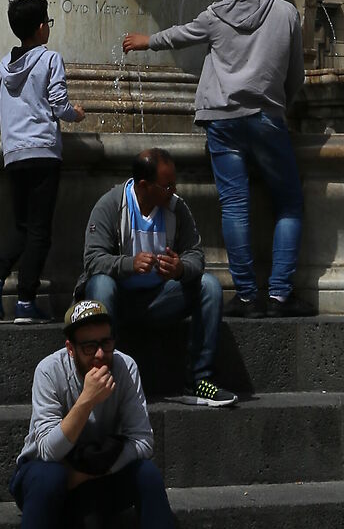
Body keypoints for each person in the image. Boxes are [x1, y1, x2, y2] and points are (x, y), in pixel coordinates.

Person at [10, 297, 210, 529]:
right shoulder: (49, 371)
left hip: (97, 472)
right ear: (70, 348)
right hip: (46, 475)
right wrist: (86, 399)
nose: (101, 354)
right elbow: (47, 451)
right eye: (89, 347)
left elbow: (143, 441)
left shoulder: (125, 367)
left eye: (106, 342)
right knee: (48, 477)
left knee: (147, 475)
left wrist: (91, 474)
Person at [122, 0, 306, 315]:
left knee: (235, 206)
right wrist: (278, 104)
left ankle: (247, 295)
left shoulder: (217, 14)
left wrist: (146, 41)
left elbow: (181, 34)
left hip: (222, 120)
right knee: (289, 204)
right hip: (266, 118)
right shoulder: (286, 13)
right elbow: (296, 75)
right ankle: (279, 294)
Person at [79, 149, 236, 408]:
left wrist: (180, 269)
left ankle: (199, 380)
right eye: (167, 186)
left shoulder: (177, 208)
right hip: (118, 303)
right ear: (144, 185)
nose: (173, 191)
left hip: (160, 301)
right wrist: (129, 264)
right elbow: (92, 260)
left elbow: (196, 255)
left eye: (174, 184)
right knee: (100, 284)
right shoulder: (111, 204)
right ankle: (102, 379)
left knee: (209, 286)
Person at [0, 0, 83, 324]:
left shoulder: (4, 65)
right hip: (42, 152)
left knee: (23, 226)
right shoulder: (50, 59)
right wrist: (76, 114)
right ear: (41, 28)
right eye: (48, 22)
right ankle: (25, 301)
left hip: (14, 154)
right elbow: (59, 104)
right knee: (39, 231)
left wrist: (14, 111)